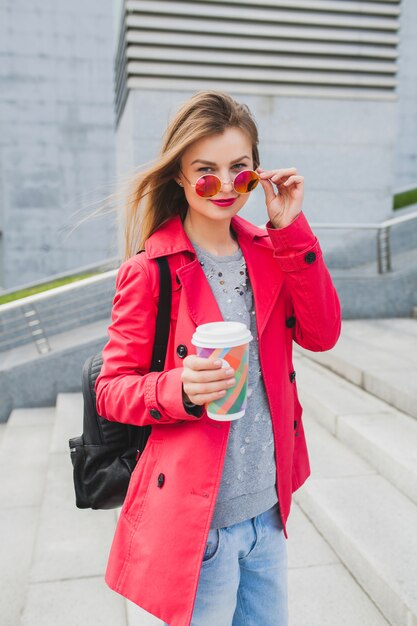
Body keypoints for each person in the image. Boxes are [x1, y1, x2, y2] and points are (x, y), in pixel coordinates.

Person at [95, 90, 341, 626]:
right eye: (206, 173)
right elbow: (112, 388)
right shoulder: (151, 270)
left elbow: (322, 335)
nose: (225, 187)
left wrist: (290, 230)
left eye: (241, 172)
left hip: (269, 514)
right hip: (198, 522)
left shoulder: (271, 251)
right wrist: (177, 387)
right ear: (180, 178)